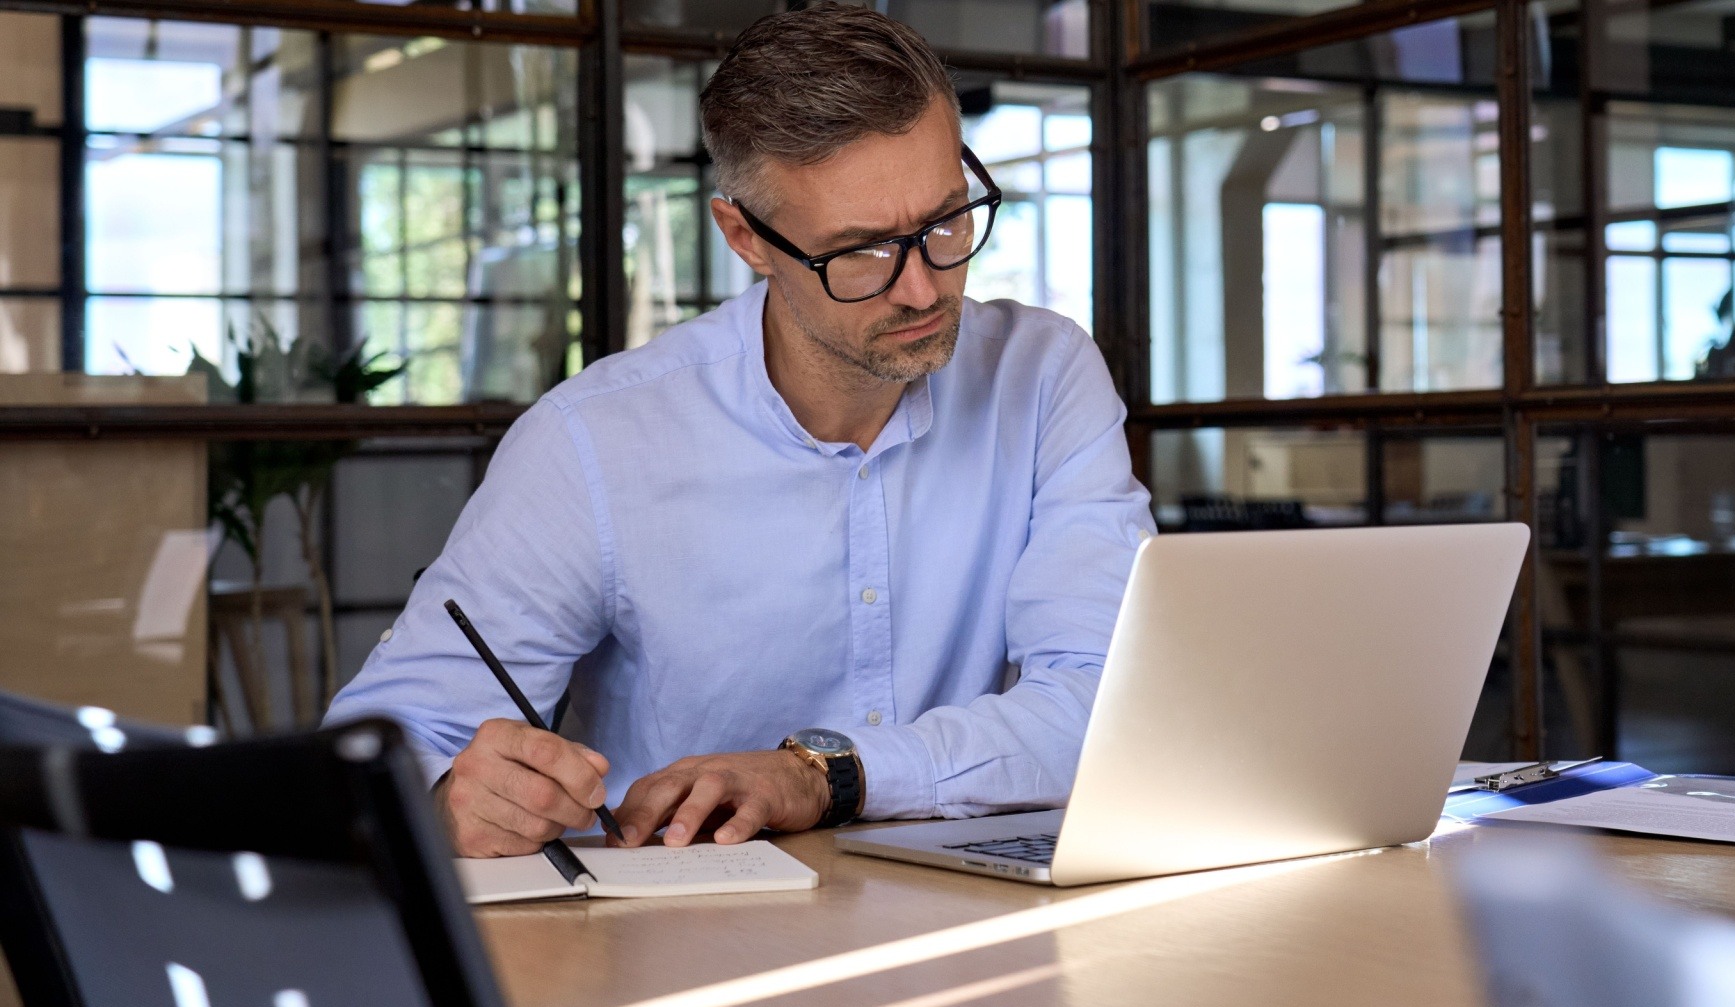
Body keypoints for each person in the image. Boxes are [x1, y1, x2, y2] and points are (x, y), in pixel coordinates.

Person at [323, 2, 1152, 858]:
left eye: (945, 221)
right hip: (683, 936)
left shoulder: (1044, 374)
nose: (921, 288)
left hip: (979, 920)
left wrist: (823, 775)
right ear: (746, 238)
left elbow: (1110, 702)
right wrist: (444, 793)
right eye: (861, 251)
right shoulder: (595, 443)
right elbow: (379, 745)